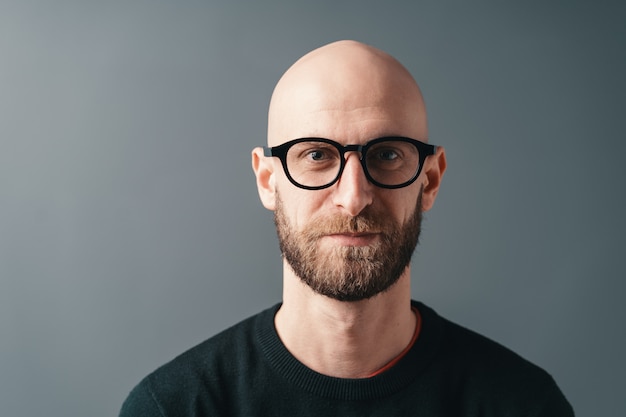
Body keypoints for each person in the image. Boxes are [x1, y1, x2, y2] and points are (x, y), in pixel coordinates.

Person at [119, 40, 574, 416]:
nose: (353, 196)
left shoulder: (522, 404)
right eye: (316, 155)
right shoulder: (174, 408)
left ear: (430, 179)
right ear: (268, 181)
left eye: (387, 154)